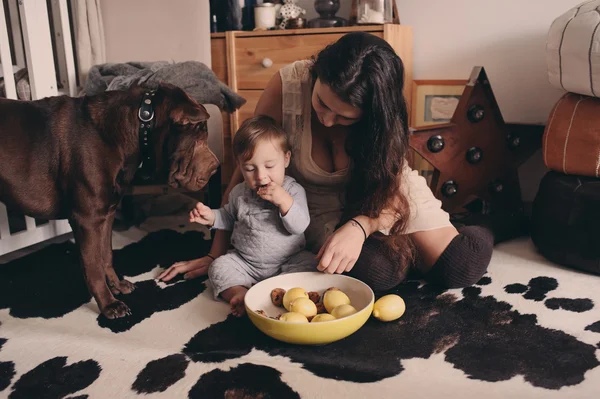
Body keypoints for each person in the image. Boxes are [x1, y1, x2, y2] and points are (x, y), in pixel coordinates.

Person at [158, 32, 495, 292]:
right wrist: (216, 253)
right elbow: (248, 168)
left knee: (459, 267)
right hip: (312, 205)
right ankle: (398, 249)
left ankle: (482, 222)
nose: (328, 120)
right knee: (374, 273)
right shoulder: (287, 85)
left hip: (383, 197)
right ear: (318, 74)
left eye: (344, 117)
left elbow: (392, 188)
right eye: (322, 103)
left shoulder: (382, 119)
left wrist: (362, 225)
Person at [168, 115, 316, 316]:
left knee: (311, 263)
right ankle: (240, 294)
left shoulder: (293, 191)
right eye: (249, 169)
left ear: (286, 159)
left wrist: (283, 201)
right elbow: (228, 218)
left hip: (287, 262)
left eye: (270, 166)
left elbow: (299, 226)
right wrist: (210, 217)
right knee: (218, 267)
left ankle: (286, 293)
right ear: (240, 166)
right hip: (246, 263)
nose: (260, 176)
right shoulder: (239, 192)